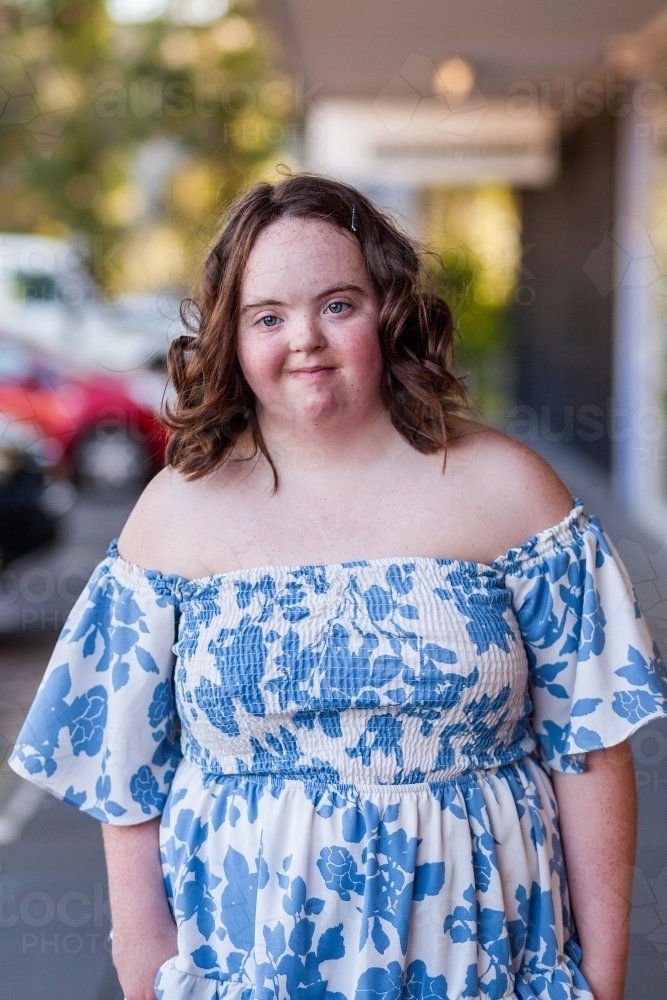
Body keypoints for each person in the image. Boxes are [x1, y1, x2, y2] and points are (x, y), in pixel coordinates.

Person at [10, 174, 667, 1000]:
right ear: (231, 336)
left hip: (482, 957)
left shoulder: (513, 493)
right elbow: (123, 767)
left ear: (389, 312)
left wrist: (601, 979)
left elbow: (592, 747)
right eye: (268, 316)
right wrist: (142, 959)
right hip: (250, 961)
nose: (304, 341)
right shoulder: (173, 516)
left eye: (338, 304)